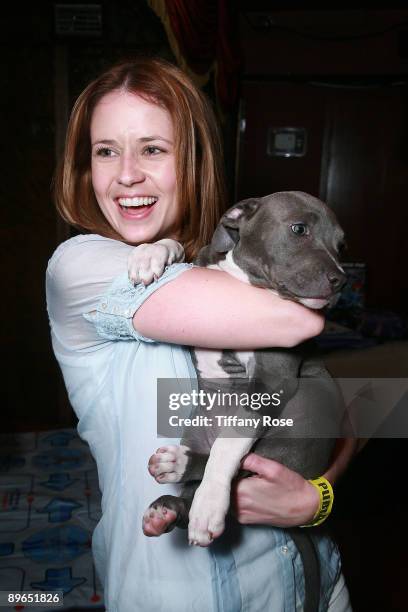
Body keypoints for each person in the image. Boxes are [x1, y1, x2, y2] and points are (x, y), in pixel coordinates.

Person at [46, 56, 354, 611]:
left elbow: (348, 411)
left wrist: (319, 496)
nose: (127, 175)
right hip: (179, 594)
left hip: (309, 581)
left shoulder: (229, 267)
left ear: (194, 161)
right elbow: (298, 319)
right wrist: (169, 251)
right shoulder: (80, 268)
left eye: (154, 149)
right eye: (105, 151)